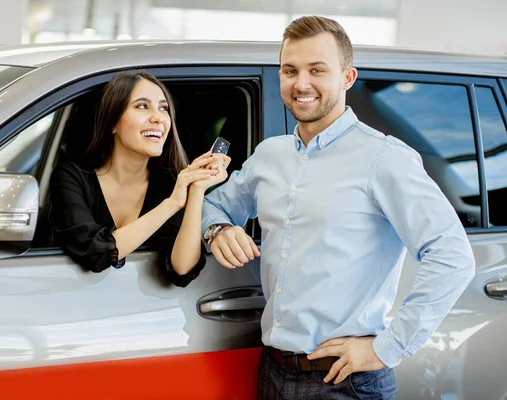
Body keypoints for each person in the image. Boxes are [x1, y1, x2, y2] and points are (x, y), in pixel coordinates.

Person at [201, 16, 475, 399]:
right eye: (289, 70)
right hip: (273, 371)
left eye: (317, 70)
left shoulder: (384, 157)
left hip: (345, 383)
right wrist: (218, 229)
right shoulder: (269, 156)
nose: (301, 83)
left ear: (347, 77)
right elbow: (211, 204)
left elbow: (452, 255)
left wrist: (387, 347)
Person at [50, 71, 230, 287]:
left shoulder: (171, 184)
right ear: (112, 122)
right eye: (142, 106)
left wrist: (196, 192)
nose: (158, 117)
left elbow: (182, 270)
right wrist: (172, 204)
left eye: (163, 108)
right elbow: (96, 254)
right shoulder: (71, 177)